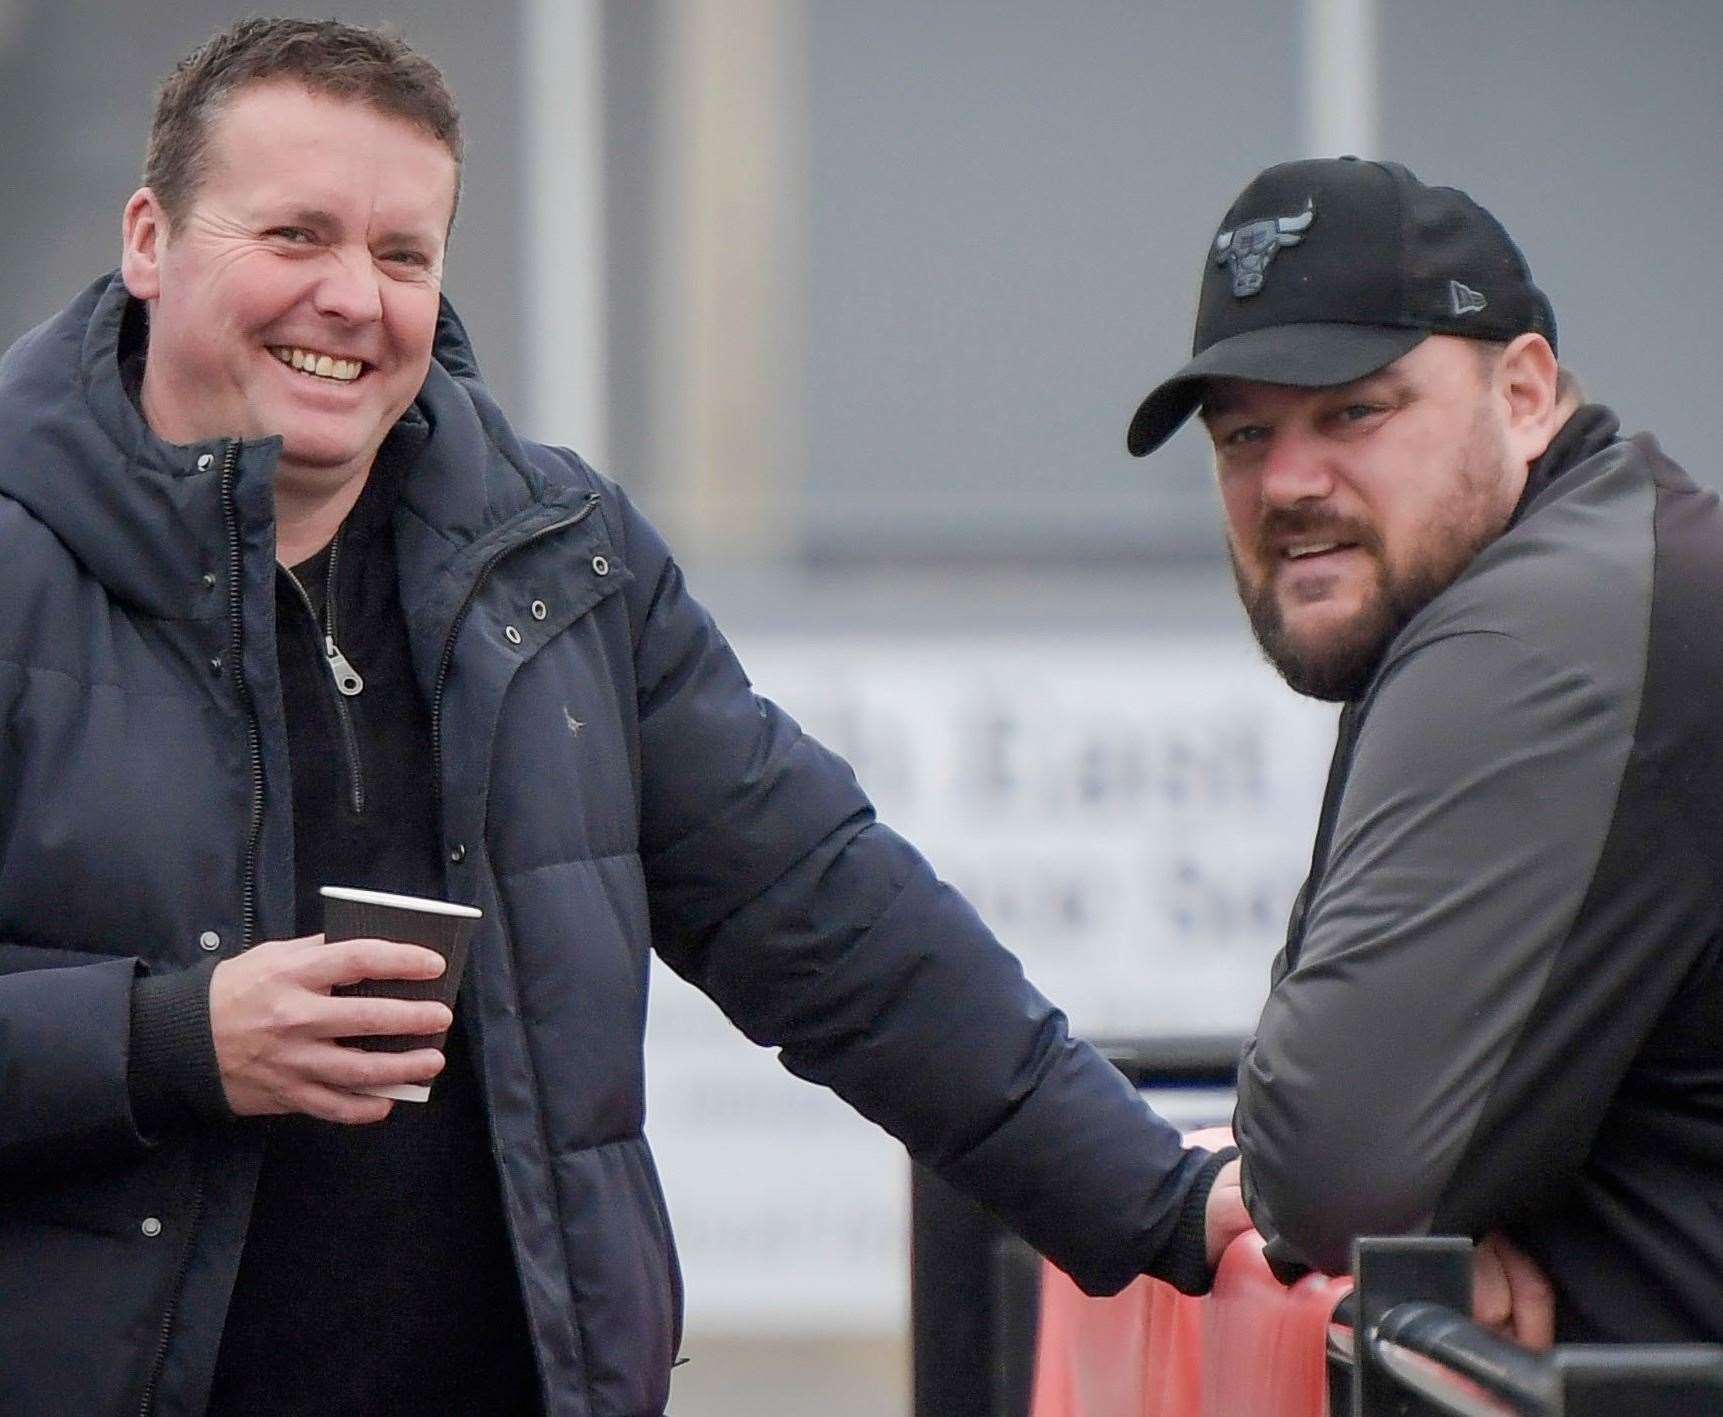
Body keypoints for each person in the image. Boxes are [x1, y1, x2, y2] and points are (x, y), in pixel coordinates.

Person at [0, 18, 1250, 1416]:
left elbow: (828, 912)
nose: (353, 299)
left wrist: (1164, 1198)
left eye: (403, 255)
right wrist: (169, 1042)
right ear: (150, 239)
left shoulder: (558, 558)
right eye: (295, 236)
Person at [1128, 155, 1723, 1344]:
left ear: (1523, 395)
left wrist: (1402, 1193)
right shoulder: (1588, 562)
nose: (1287, 481)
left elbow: (1330, 1158)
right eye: (1243, 434)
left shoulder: (1542, 619)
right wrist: (1440, 1198)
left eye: (1355, 410)